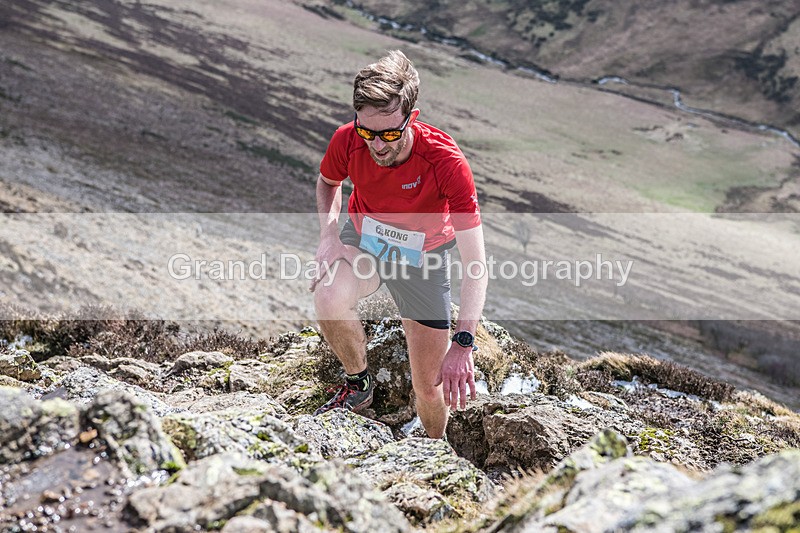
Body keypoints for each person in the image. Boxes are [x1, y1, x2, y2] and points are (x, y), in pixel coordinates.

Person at [310, 50, 487, 439]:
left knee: (429, 385)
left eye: (390, 133)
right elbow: (328, 182)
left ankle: (435, 450)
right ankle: (358, 386)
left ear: (412, 118)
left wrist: (464, 342)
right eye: (367, 132)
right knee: (328, 293)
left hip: (423, 258)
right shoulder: (347, 140)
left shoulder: (445, 162)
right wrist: (329, 237)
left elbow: (476, 264)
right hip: (366, 241)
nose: (377, 145)